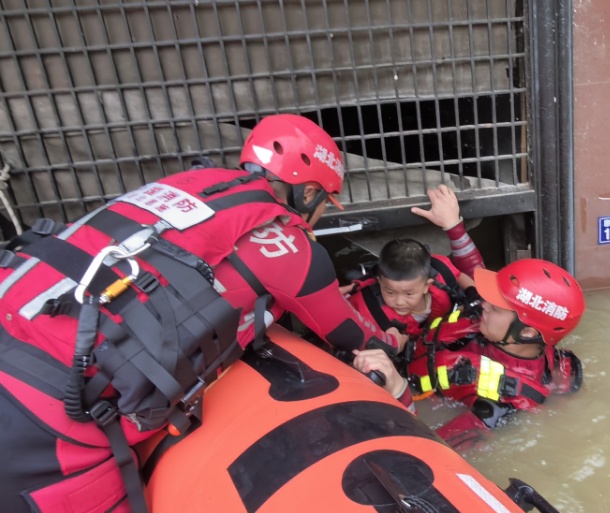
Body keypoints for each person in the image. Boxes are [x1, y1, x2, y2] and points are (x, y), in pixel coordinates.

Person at [0, 114, 404, 513]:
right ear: (310, 192)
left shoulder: (189, 183)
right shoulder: (291, 244)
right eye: (324, 203)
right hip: (55, 408)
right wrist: (392, 341)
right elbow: (354, 337)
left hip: (17, 313)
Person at [406, 258, 586, 450]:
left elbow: (428, 453)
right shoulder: (493, 326)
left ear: (527, 332)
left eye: (496, 307)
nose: (484, 305)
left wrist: (397, 389)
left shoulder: (506, 403)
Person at [342, 184, 486, 340]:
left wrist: (472, 292)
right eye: (389, 292)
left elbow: (458, 275)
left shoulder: (440, 270)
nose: (399, 302)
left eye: (409, 293)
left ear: (427, 286)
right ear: (379, 281)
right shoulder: (367, 309)